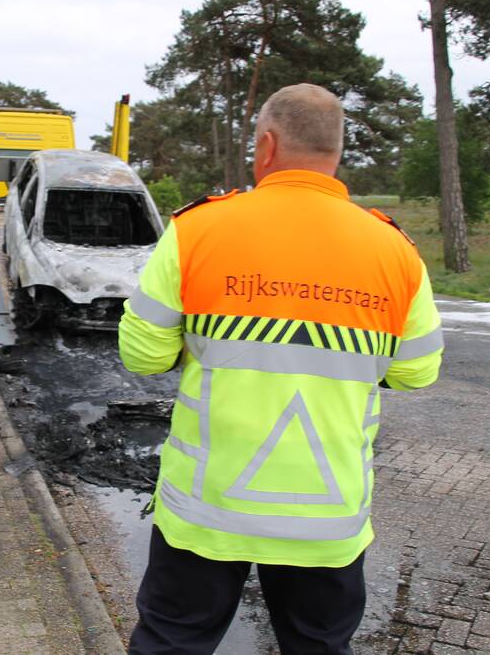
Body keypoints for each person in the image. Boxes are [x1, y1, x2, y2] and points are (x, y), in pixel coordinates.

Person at [118, 83, 444, 654]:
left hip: (207, 509)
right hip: (327, 518)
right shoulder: (395, 250)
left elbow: (142, 356)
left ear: (266, 145)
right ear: (336, 152)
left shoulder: (197, 229)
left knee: (172, 642)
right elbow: (417, 372)